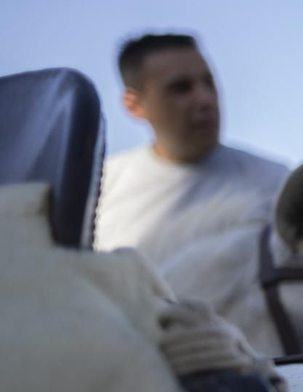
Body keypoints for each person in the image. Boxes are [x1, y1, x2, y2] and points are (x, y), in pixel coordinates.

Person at [94, 33, 288, 251]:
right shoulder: (100, 190)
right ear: (134, 105)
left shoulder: (275, 184)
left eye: (209, 83)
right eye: (180, 88)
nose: (204, 99)